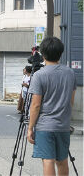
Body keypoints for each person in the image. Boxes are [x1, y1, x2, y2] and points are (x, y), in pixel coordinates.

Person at [27, 37, 77, 176]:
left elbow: (36, 105)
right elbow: (70, 102)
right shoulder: (70, 73)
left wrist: (30, 128)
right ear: (60, 53)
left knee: (48, 160)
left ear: (42, 54)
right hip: (63, 126)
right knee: (62, 160)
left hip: (45, 126)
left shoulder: (39, 75)